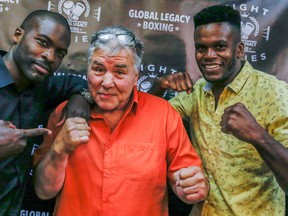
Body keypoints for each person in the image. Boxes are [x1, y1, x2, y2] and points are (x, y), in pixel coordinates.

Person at [32, 26, 209, 216]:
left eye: (119, 72)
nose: (107, 82)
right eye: (99, 69)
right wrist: (60, 148)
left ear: (136, 77)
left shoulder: (163, 114)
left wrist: (191, 187)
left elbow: (186, 184)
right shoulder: (65, 114)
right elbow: (43, 191)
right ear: (87, 71)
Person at [149, 5, 288, 216]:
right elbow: (146, 122)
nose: (209, 55)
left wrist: (257, 135)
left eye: (220, 47)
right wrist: (159, 86)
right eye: (201, 48)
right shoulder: (196, 92)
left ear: (239, 50)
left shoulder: (274, 93)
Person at [0, 10, 89, 215]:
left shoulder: (43, 87)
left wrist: (82, 97)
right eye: (42, 42)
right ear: (17, 35)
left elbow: (76, 84)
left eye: (59, 53)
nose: (50, 57)